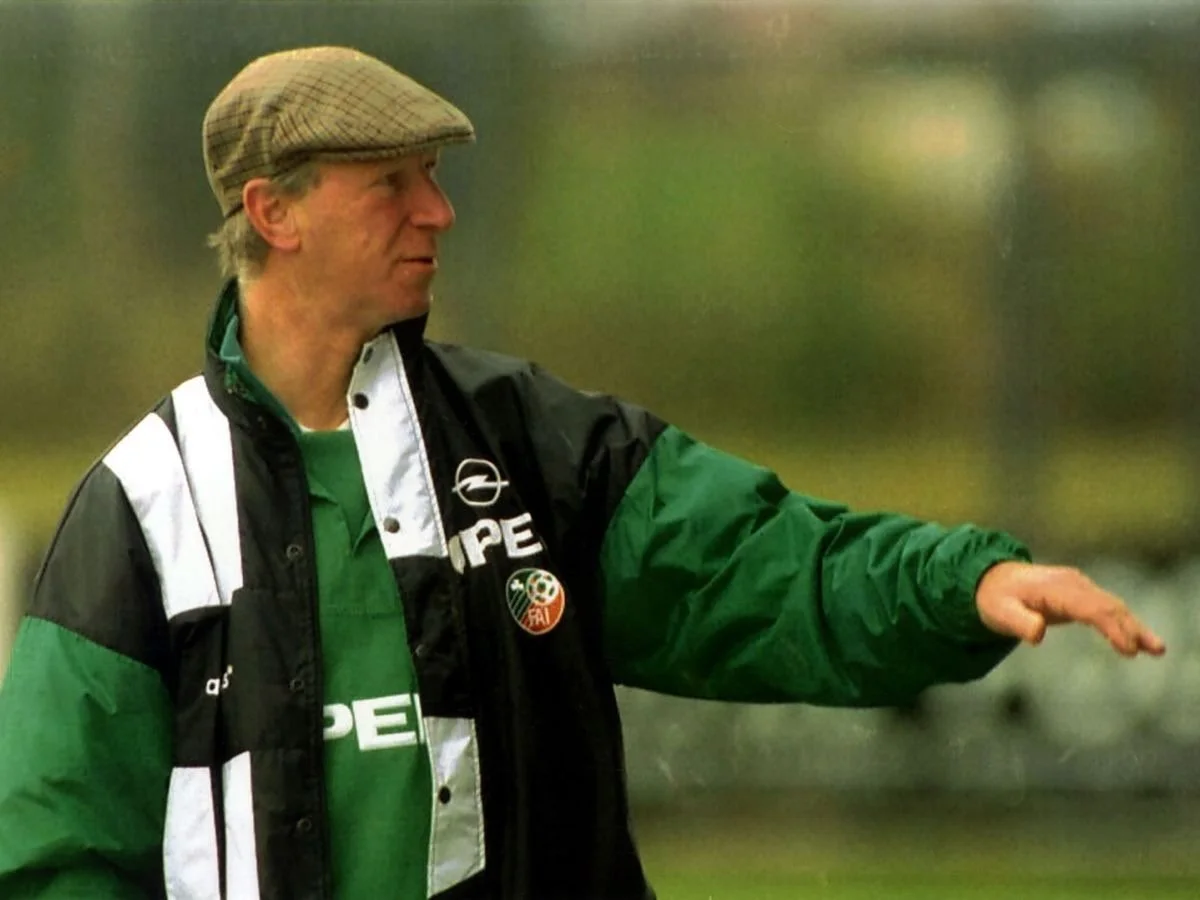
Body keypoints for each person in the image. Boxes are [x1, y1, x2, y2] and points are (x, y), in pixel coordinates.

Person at [0, 46, 1165, 900]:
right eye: (393, 185)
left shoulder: (525, 443)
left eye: (435, 178)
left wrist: (957, 583)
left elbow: (754, 562)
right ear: (274, 213)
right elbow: (57, 846)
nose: (439, 212)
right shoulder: (141, 505)